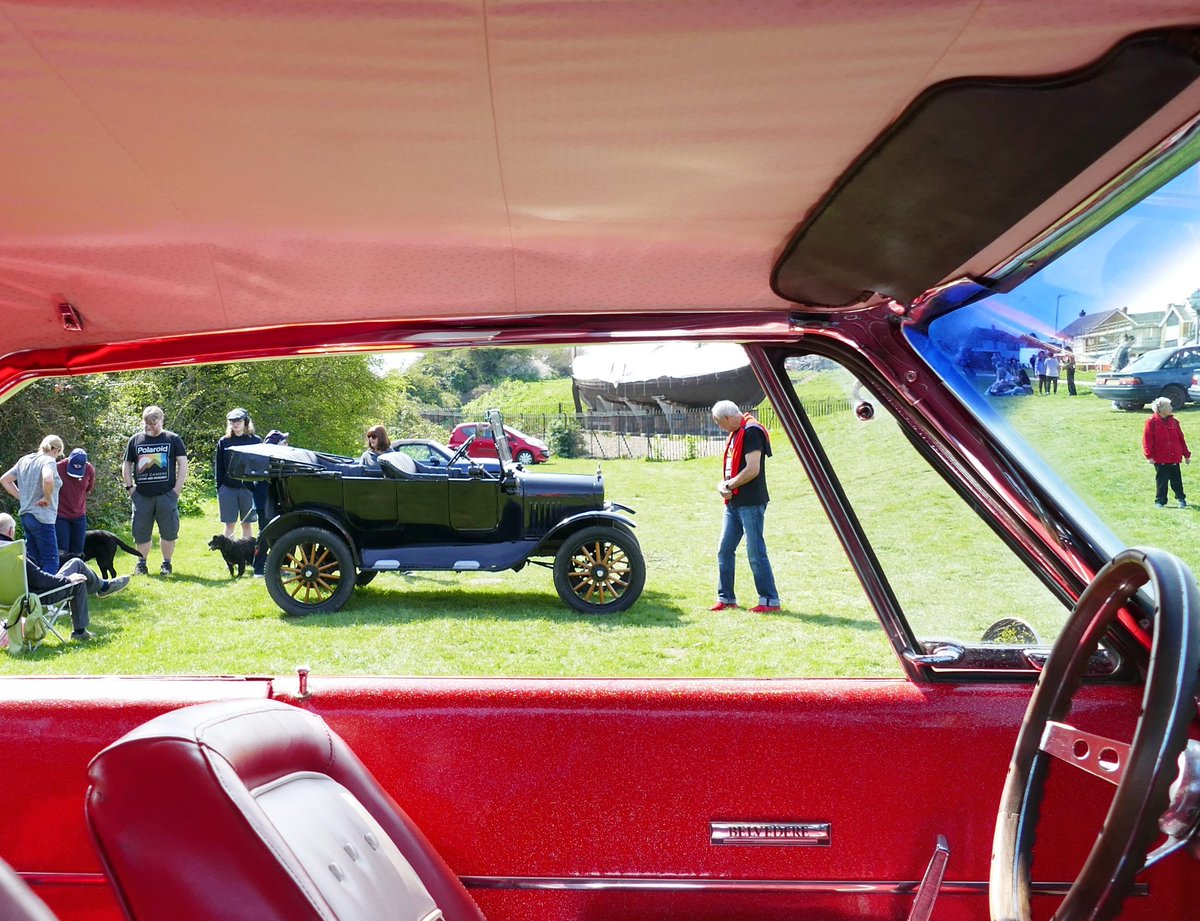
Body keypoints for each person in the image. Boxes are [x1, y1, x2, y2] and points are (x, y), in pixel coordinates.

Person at [0, 512, 128, 641]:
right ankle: (101, 591)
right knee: (77, 570)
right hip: (34, 599)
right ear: (11, 531)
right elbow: (40, 580)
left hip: (5, 601)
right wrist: (67, 580)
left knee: (76, 569)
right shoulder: (15, 553)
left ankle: (102, 587)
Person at [711, 400, 780, 613]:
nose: (721, 428)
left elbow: (752, 469)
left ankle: (770, 601)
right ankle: (727, 598)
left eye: (720, 424)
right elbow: (733, 466)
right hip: (733, 503)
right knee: (724, 550)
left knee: (755, 552)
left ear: (728, 418)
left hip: (751, 502)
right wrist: (723, 485)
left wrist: (729, 485)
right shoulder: (736, 432)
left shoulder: (751, 432)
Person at [121, 406, 189, 576]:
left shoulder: (173, 439)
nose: (149, 427)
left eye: (153, 423)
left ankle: (166, 564)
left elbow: (183, 463)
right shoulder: (136, 440)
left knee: (169, 531)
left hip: (166, 495)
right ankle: (141, 564)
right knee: (141, 532)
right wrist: (130, 488)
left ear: (161, 420)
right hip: (142, 496)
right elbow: (127, 464)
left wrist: (177, 489)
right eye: (146, 423)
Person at [1, 435, 64, 573]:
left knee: (33, 562)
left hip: (26, 516)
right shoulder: (48, 461)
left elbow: (5, 480)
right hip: (43, 517)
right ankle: (47, 595)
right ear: (57, 450)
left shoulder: (24, 460)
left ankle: (31, 593)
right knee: (51, 561)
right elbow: (48, 479)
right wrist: (47, 498)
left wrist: (23, 498)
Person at [214, 408, 261, 540]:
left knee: (247, 524)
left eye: (238, 421)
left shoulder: (255, 441)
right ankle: (229, 556)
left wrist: (257, 487)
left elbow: (260, 465)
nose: (235, 424)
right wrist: (220, 488)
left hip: (248, 488)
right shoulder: (224, 441)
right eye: (232, 421)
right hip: (228, 488)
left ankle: (247, 555)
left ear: (245, 422)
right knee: (229, 524)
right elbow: (219, 466)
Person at [250, 429, 289, 577]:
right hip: (264, 504)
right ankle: (259, 569)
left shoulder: (284, 459)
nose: (286, 444)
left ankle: (283, 566)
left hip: (280, 502)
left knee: (285, 533)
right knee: (265, 535)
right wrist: (257, 494)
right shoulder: (262, 459)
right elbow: (246, 480)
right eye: (283, 442)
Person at [1143, 396, 1190, 509]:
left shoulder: (1174, 422)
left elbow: (1181, 439)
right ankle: (1160, 501)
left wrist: (1186, 454)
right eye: (1168, 406)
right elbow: (1147, 439)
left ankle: (1181, 498)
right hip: (1160, 457)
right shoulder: (1151, 422)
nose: (1171, 408)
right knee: (1162, 481)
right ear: (1161, 409)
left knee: (1176, 480)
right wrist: (1149, 455)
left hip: (1174, 457)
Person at [55, 447, 95, 557]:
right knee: (62, 551)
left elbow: (88, 488)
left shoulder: (89, 469)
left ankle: (77, 573)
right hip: (60, 515)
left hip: (79, 516)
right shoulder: (58, 467)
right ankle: (62, 574)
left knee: (78, 551)